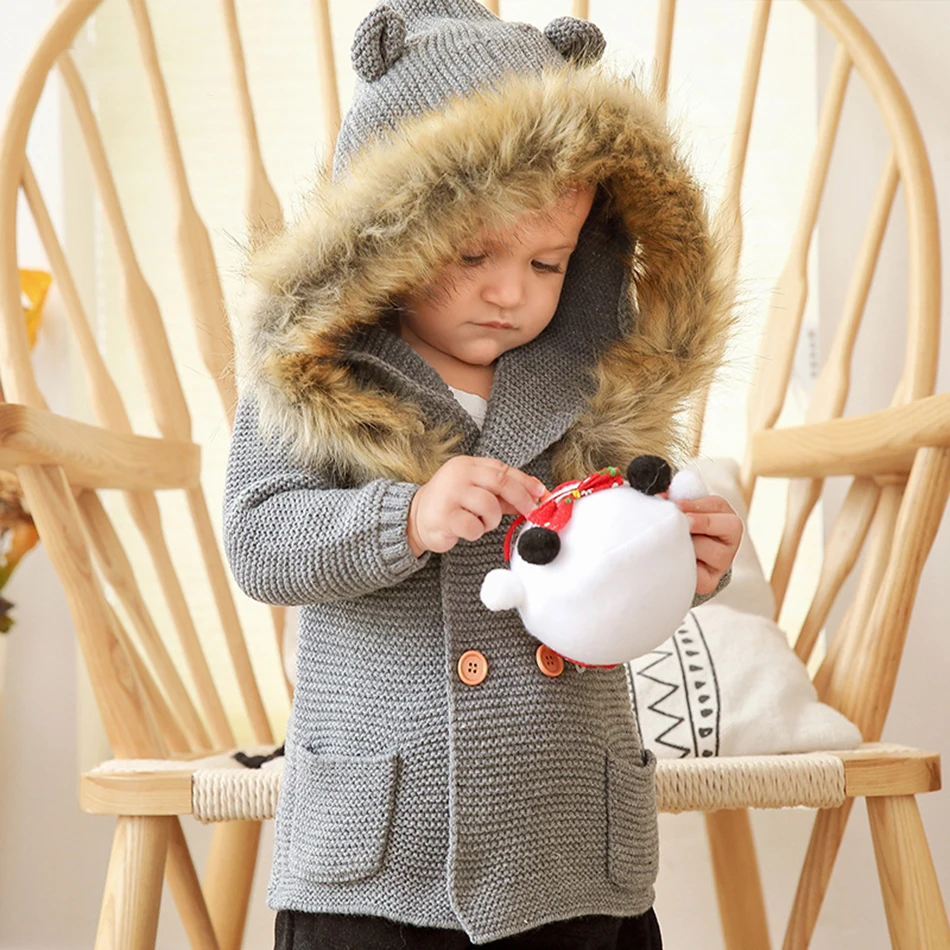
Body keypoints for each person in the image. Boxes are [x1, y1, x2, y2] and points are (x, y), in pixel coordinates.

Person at [223, 1, 742, 947]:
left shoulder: (591, 384)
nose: (512, 292)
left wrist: (687, 562)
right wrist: (405, 518)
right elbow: (260, 541)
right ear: (383, 236)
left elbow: (614, 567)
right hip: (383, 860)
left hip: (568, 844)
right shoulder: (317, 374)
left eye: (548, 262)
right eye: (473, 255)